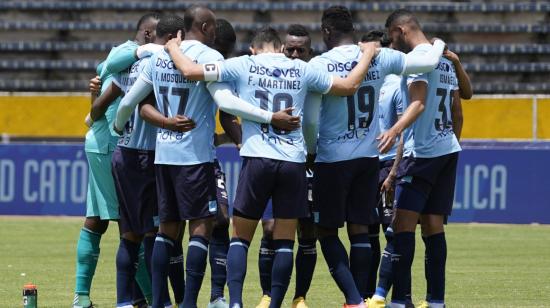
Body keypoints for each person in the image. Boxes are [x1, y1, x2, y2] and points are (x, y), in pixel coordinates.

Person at [163, 23, 378, 307]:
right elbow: (349, 86)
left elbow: (190, 71)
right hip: (292, 162)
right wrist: (368, 54)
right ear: (279, 47)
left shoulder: (242, 64)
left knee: (240, 237)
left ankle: (236, 302)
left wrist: (172, 47)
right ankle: (276, 303)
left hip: (258, 159)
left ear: (254, 48)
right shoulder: (303, 68)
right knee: (286, 241)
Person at [302, 6, 446, 307]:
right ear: (352, 29)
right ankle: (364, 297)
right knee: (360, 232)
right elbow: (429, 60)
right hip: (368, 158)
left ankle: (354, 299)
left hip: (331, 158)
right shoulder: (380, 56)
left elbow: (311, 120)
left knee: (326, 230)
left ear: (326, 31)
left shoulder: (318, 64)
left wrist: (311, 152)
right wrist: (441, 44)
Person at [376, 9, 464, 308]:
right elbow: (457, 108)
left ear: (400, 30)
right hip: (447, 149)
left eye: (392, 37)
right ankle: (436, 301)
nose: (392, 43)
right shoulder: (444, 60)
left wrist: (394, 129)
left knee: (401, 227)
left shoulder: (417, 59)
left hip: (421, 153)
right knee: (433, 227)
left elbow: (418, 103)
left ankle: (399, 300)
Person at [73, 12, 162, 308]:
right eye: (161, 35)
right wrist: (94, 112)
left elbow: (97, 108)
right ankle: (151, 298)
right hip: (113, 147)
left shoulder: (127, 58)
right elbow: (103, 106)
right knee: (132, 225)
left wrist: (92, 112)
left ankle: (83, 296)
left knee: (98, 219)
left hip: (106, 144)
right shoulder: (126, 55)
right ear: (148, 35)